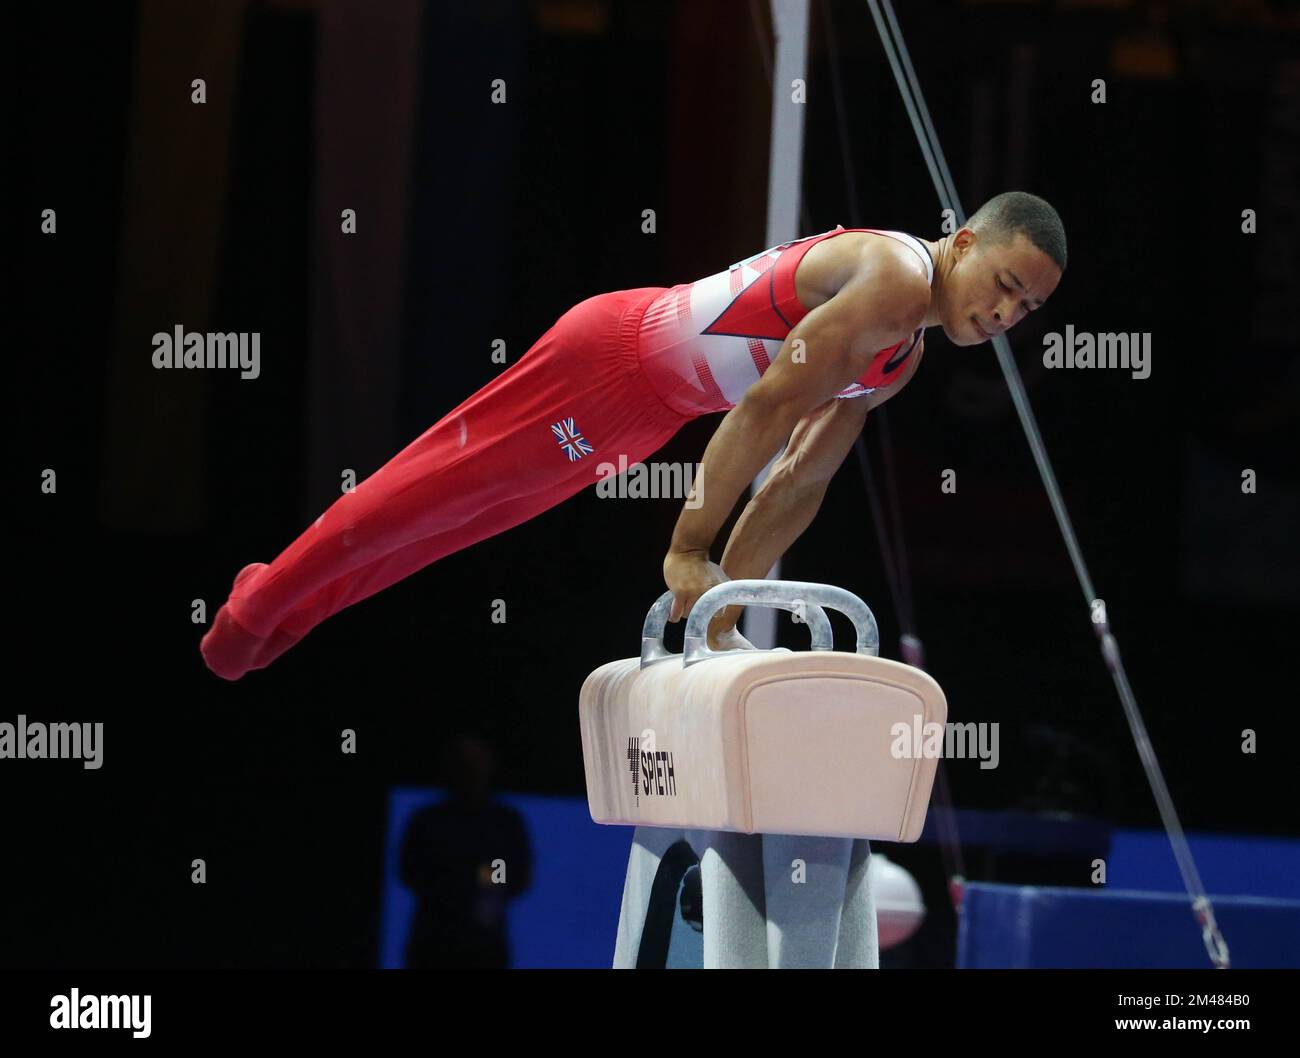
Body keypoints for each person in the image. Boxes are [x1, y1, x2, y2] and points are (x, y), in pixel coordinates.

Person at [200, 191, 1065, 680]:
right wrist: (691, 551)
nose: (1003, 314)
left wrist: (729, 604)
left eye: (1026, 309)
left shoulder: (900, 357)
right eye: (1003, 283)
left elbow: (799, 478)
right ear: (962, 244)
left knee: (456, 525)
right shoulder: (892, 280)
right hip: (610, 360)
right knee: (424, 494)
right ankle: (250, 617)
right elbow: (762, 410)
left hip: (648, 415)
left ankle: (285, 612)